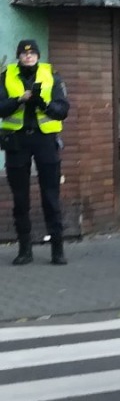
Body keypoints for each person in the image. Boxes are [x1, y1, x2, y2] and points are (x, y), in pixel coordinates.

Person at [1, 40, 71, 265]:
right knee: (20, 199)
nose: (28, 57)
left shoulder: (51, 75)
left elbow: (62, 110)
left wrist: (43, 104)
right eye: (23, 53)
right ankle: (24, 249)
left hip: (44, 140)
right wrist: (18, 100)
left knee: (50, 196)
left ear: (38, 56)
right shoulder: (6, 75)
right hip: (17, 141)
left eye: (32, 54)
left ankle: (57, 250)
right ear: (19, 56)